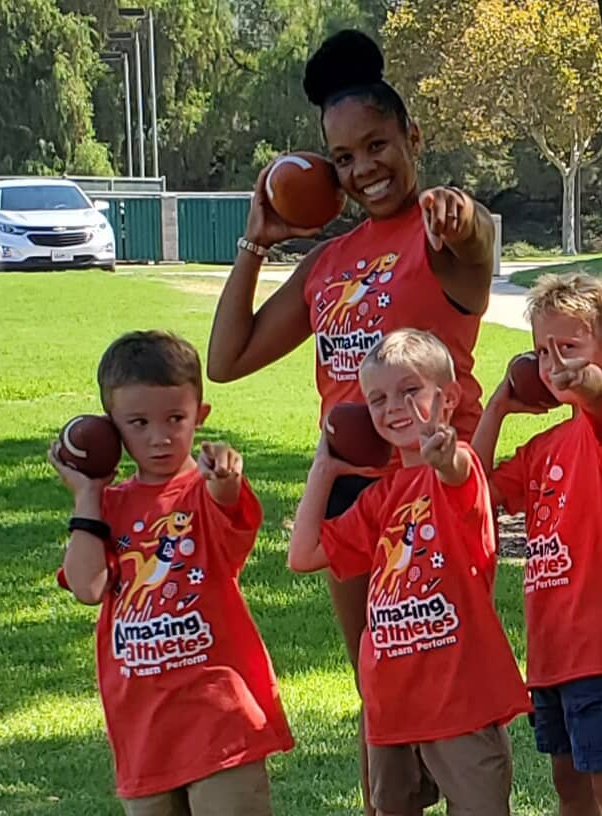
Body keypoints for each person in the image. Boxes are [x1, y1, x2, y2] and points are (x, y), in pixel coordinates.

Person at [205, 29, 496, 812]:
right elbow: (225, 360)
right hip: (349, 494)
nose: (363, 167)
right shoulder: (327, 263)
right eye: (343, 157)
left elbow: (477, 242)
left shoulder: (440, 236)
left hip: (434, 488)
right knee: (380, 678)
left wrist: (462, 214)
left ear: (412, 139)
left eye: (376, 145)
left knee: (444, 669)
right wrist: (256, 242)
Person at [49, 330, 293, 815]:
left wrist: (225, 478)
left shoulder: (204, 492)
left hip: (220, 723)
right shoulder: (108, 507)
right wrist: (87, 495)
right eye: (138, 423)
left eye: (175, 419)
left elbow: (228, 503)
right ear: (112, 428)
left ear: (200, 415)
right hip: (143, 732)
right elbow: (88, 587)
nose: (159, 437)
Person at [288, 329, 530, 816]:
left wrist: (444, 455)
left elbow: (458, 472)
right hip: (392, 699)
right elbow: (303, 555)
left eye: (410, 391)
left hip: (459, 699)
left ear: (449, 398)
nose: (394, 407)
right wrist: (324, 469)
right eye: (377, 399)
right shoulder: (382, 497)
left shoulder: (459, 473)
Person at [473, 274, 602, 816]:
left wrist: (587, 381)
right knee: (569, 787)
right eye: (541, 352)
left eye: (569, 347)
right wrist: (498, 406)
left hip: (600, 644)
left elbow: (599, 397)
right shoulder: (541, 449)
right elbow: (472, 491)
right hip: (551, 649)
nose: (553, 365)